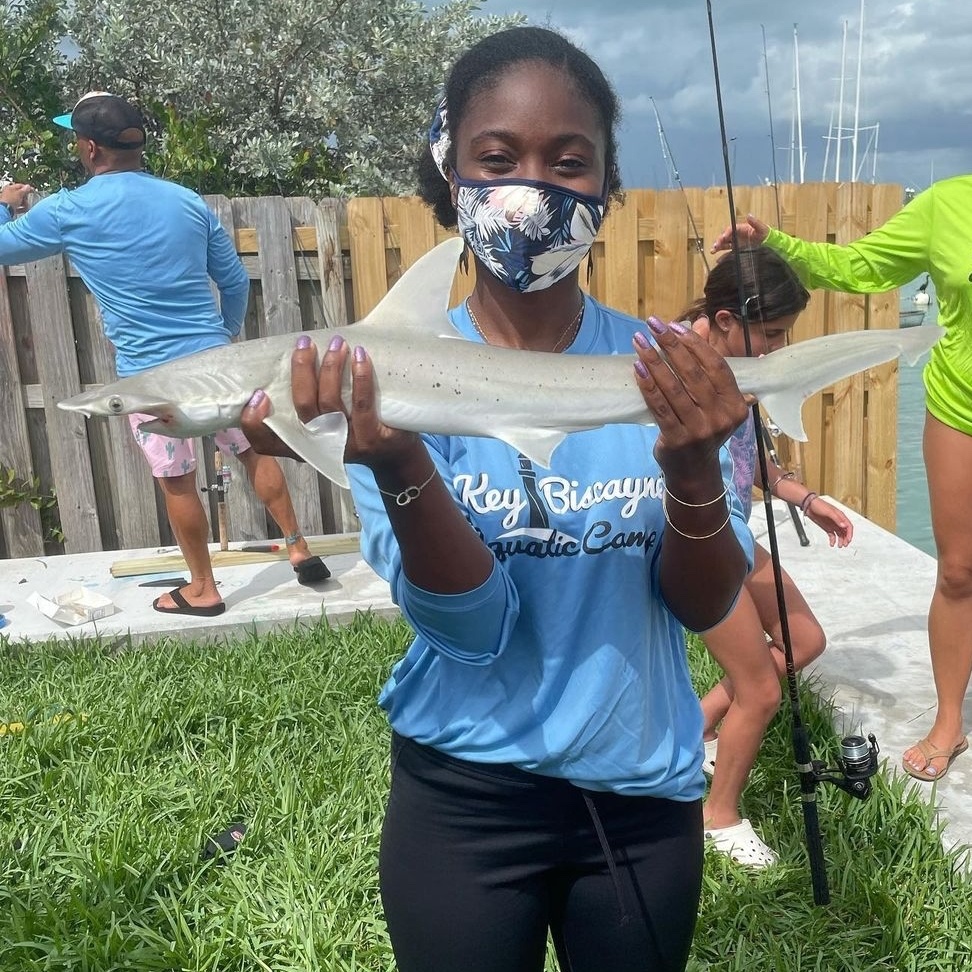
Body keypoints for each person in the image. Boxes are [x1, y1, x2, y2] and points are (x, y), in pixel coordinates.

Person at [240, 25, 753, 972]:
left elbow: (705, 603)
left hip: (641, 793)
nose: (536, 187)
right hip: (464, 794)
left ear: (606, 185)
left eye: (570, 160)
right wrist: (398, 464)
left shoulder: (665, 369)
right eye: (498, 157)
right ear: (451, 176)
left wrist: (692, 476)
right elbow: (471, 632)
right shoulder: (378, 380)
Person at [0, 92, 329, 615]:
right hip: (218, 368)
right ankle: (298, 547)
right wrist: (219, 338)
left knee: (177, 481)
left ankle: (203, 589)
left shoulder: (68, 210)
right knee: (252, 451)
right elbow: (232, 281)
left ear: (89, 148)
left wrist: (6, 202)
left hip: (151, 381)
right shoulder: (187, 201)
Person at [711, 186, 972, 784]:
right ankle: (950, 721)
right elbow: (860, 266)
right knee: (958, 571)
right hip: (962, 409)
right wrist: (774, 244)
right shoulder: (948, 206)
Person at [680, 249, 854, 867]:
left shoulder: (737, 365)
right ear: (726, 318)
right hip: (692, 540)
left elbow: (754, 463)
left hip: (734, 532)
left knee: (804, 641)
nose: (779, 347)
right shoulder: (670, 364)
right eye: (773, 333)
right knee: (760, 690)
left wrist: (807, 500)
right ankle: (717, 817)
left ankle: (694, 730)